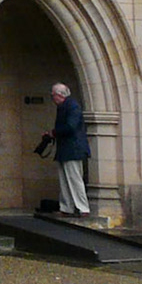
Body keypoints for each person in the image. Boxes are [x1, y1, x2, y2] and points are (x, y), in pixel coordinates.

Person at [48, 83, 90, 217]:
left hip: (73, 149)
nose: (53, 98)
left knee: (74, 178)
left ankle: (83, 208)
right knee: (65, 180)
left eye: (53, 95)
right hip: (66, 149)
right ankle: (67, 207)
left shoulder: (72, 106)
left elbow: (71, 126)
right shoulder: (66, 106)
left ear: (59, 95)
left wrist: (54, 133)